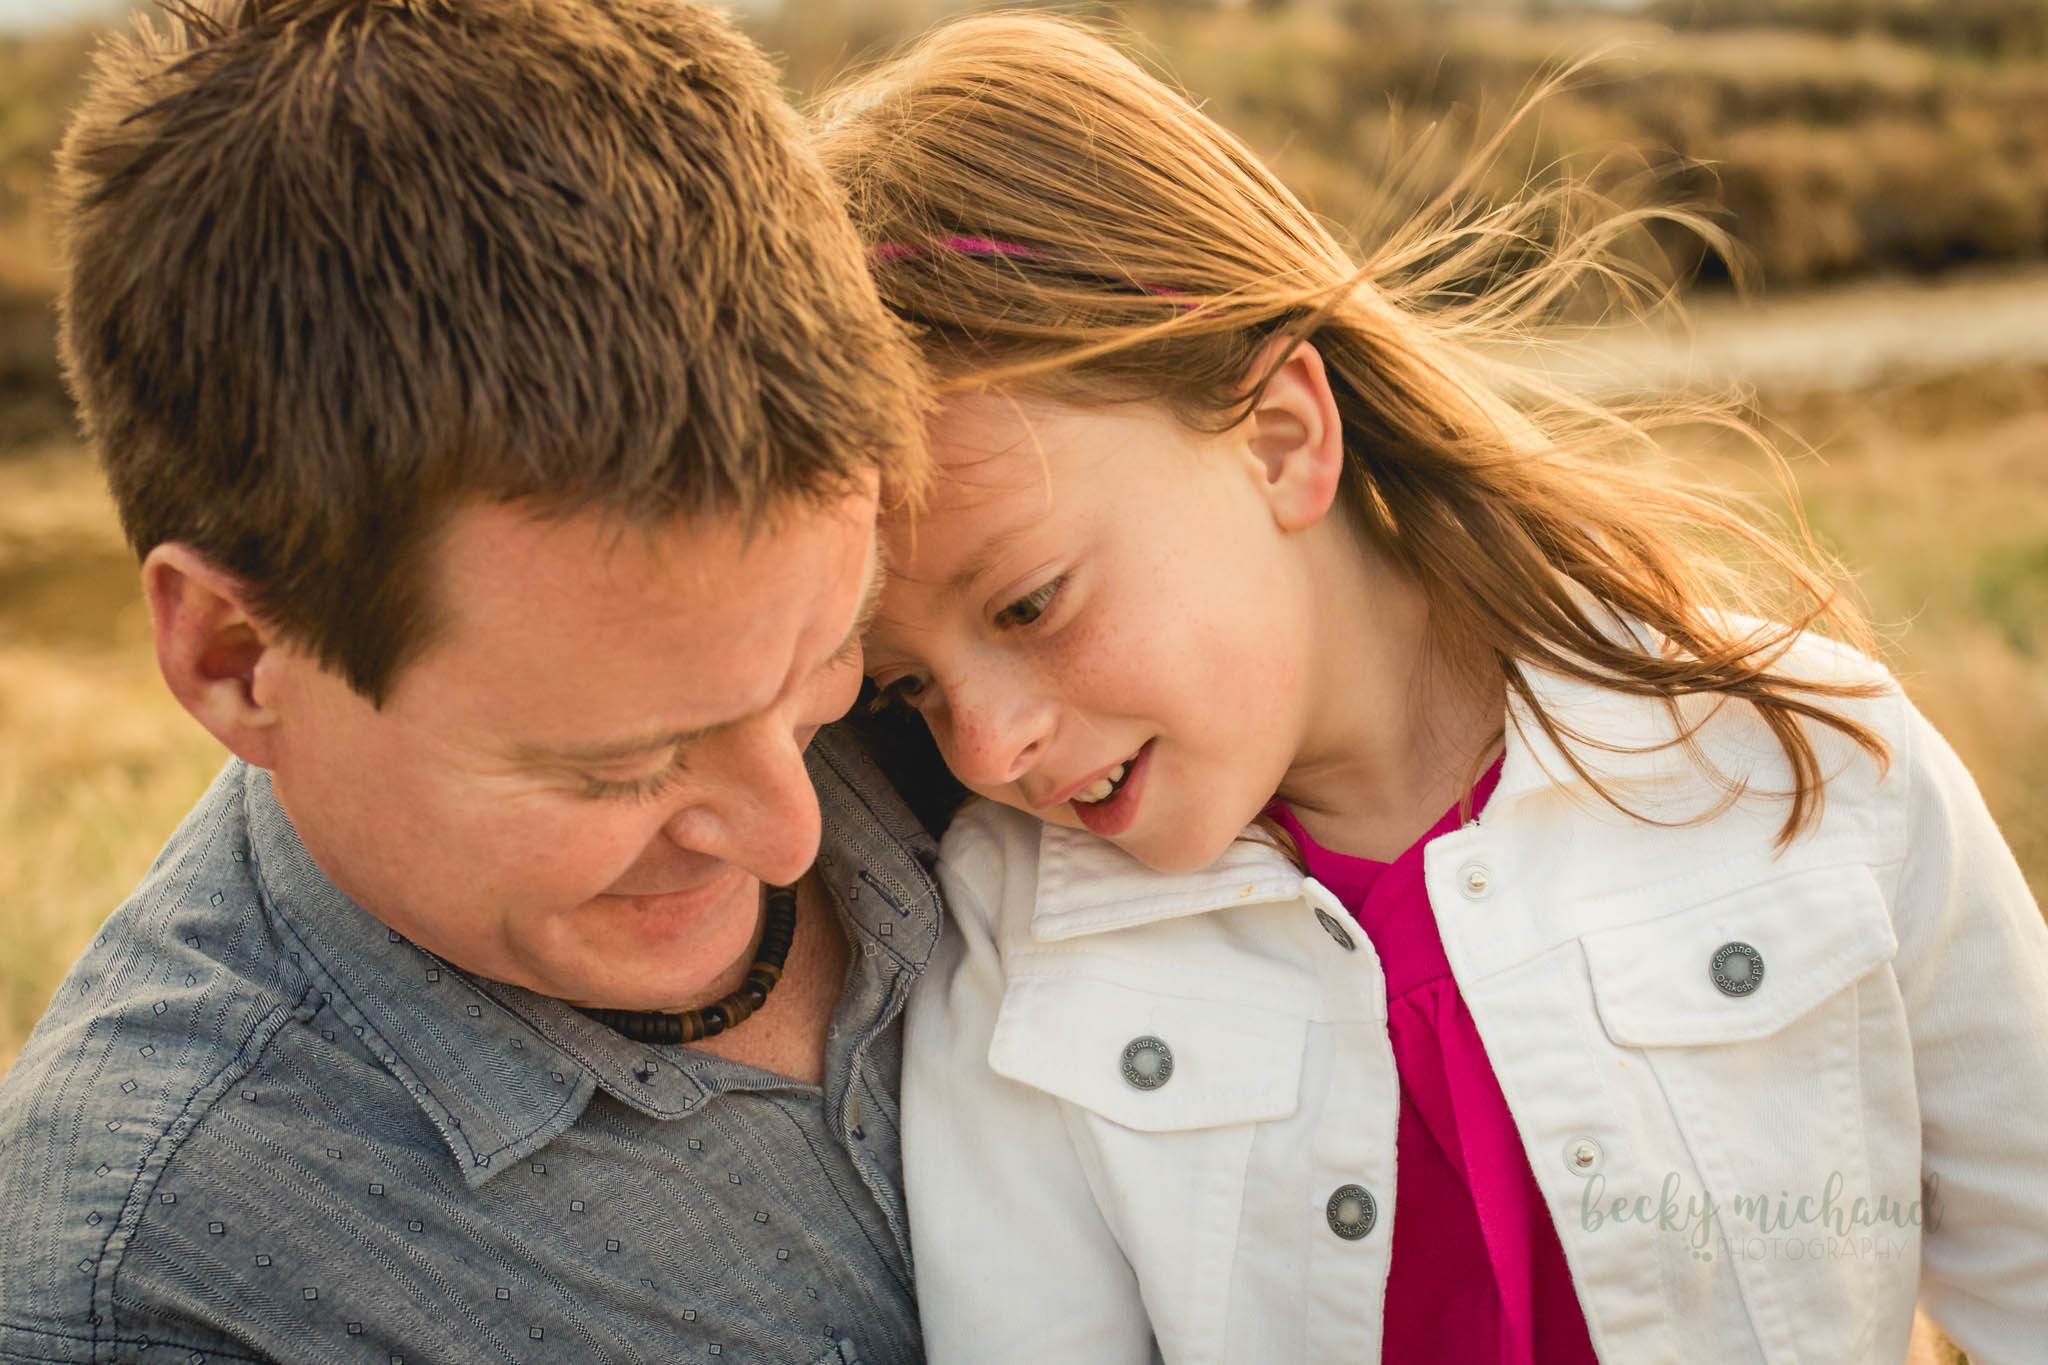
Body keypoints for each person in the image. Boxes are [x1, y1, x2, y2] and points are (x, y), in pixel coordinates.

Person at [812, 13, 2048, 1363]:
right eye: (911, 685)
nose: (989, 744)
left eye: (1031, 603)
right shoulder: (1013, 948)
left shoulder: (1806, 766)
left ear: (1281, 440)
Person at [0, 1, 939, 1360]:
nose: (795, 825)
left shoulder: (980, 653)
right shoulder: (158, 1296)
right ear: (236, 658)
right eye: (621, 764)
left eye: (822, 655)